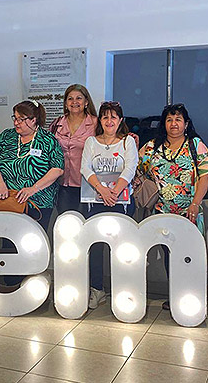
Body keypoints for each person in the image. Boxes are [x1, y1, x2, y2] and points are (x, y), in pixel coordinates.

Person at [139, 103, 208, 310]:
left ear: (186, 123)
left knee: (190, 254)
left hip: (189, 211)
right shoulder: (153, 146)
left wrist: (195, 203)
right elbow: (136, 168)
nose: (174, 124)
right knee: (168, 254)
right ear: (164, 123)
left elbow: (206, 174)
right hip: (161, 211)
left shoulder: (195, 144)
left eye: (178, 119)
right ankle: (175, 295)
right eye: (170, 120)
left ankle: (193, 295)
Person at [80, 101, 138, 309]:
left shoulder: (127, 142)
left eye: (114, 117)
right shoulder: (91, 142)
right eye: (105, 117)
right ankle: (97, 289)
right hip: (95, 202)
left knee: (122, 247)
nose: (109, 121)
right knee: (95, 247)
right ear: (100, 120)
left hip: (121, 202)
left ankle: (124, 289)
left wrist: (114, 192)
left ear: (120, 120)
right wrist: (102, 190)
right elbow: (85, 168)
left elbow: (130, 168)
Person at [0, 100, 64, 233]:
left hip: (38, 202)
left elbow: (58, 169)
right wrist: (0, 183)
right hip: (8, 200)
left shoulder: (47, 140)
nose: (16, 123)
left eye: (21, 119)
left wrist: (33, 189)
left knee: (34, 243)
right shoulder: (7, 135)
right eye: (15, 118)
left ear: (34, 120)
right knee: (9, 240)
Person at [50, 84, 98, 215]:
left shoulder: (96, 124)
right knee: (66, 222)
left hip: (88, 184)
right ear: (65, 103)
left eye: (79, 98)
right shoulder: (57, 124)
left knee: (87, 223)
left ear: (86, 102)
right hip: (62, 184)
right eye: (70, 98)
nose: (74, 102)